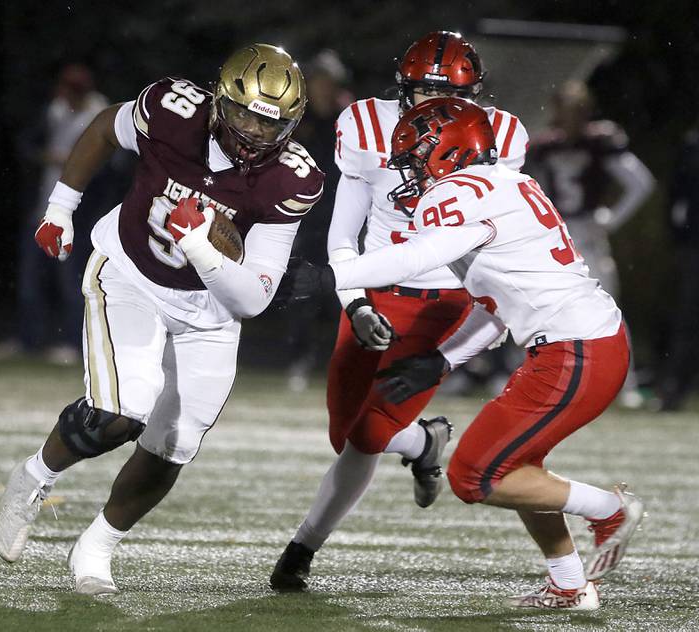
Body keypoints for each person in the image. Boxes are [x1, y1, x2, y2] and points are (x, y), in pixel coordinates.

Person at [282, 97, 644, 610]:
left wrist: (329, 277)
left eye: (414, 154)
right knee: (521, 468)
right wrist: (444, 358)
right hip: (577, 344)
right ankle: (568, 585)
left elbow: (417, 255)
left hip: (576, 352)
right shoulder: (507, 183)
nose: (406, 166)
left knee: (474, 475)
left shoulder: (456, 194)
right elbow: (495, 304)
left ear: (449, 151)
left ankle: (609, 509)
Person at [0, 43, 324, 595]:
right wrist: (60, 208)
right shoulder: (174, 111)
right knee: (120, 414)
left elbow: (252, 299)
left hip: (210, 308)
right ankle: (33, 477)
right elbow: (103, 127)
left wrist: (203, 247)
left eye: (270, 123)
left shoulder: (291, 180)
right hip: (129, 275)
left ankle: (95, 549)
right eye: (243, 113)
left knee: (176, 441)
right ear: (220, 102)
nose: (253, 132)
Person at [270, 31, 528, 590]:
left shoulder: (501, 135)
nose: (435, 110)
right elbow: (345, 232)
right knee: (346, 434)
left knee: (366, 436)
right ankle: (424, 441)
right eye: (422, 95)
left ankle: (300, 551)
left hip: (451, 301)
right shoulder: (365, 125)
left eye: (450, 97)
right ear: (401, 88)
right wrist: (356, 301)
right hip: (380, 287)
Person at [525, 81, 654, 408]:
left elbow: (640, 182)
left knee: (607, 306)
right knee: (543, 307)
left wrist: (610, 218)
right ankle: (539, 378)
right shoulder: (544, 146)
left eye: (575, 110)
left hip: (585, 230)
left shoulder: (601, 141)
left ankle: (625, 383)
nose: (568, 118)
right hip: (555, 234)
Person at [14, 64, 110, 362]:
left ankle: (73, 342)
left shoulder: (100, 114)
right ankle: (28, 340)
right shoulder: (54, 111)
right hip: (45, 206)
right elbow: (25, 145)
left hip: (78, 213)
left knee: (73, 282)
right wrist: (46, 157)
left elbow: (112, 168)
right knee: (30, 279)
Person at [283, 49, 354, 391]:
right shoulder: (298, 118)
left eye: (329, 81)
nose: (323, 88)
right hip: (307, 218)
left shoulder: (347, 119)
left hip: (345, 218)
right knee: (303, 292)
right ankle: (300, 359)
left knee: (349, 290)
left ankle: (348, 361)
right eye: (318, 80)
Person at [657, 124, 699, 410]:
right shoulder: (693, 144)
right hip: (695, 243)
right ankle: (675, 388)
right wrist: (679, 236)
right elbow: (677, 194)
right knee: (687, 317)